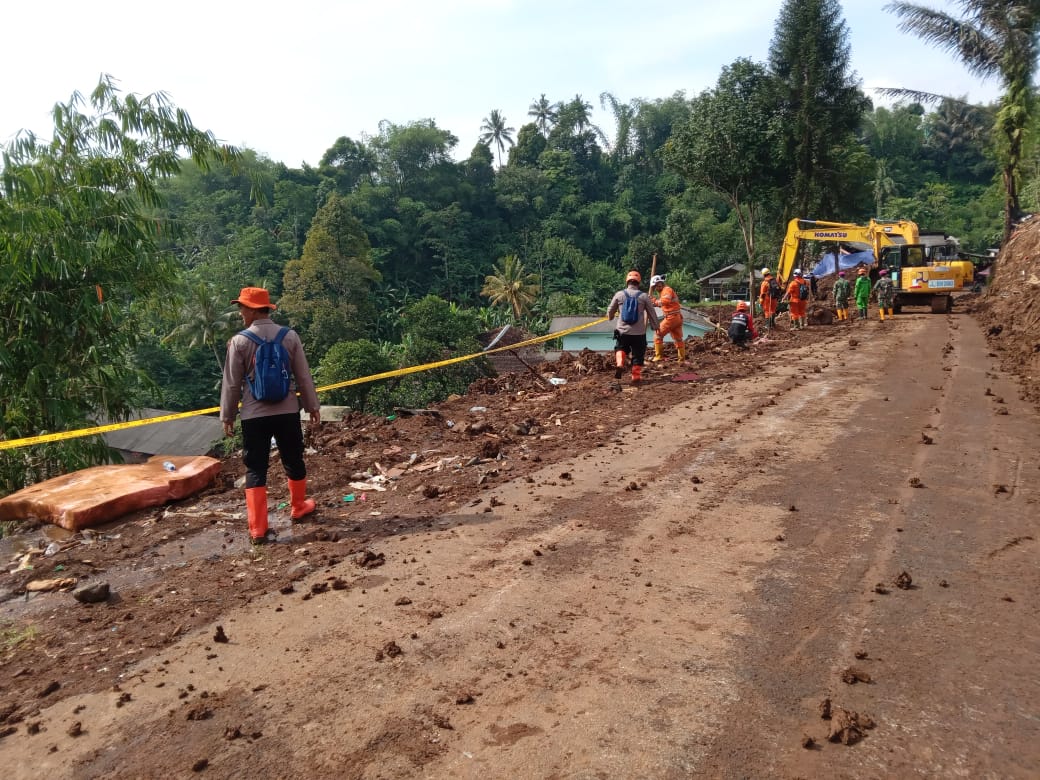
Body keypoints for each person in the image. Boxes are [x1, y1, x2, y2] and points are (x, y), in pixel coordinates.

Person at [221, 286, 321, 545]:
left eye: (242, 307)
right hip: (287, 411)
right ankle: (299, 507)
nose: (240, 312)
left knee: (255, 467)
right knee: (293, 458)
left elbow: (232, 384)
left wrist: (228, 415)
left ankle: (258, 529)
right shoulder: (290, 337)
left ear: (253, 310)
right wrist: (312, 407)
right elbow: (303, 376)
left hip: (254, 416)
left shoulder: (239, 342)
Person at [607, 270, 660, 383]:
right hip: (639, 333)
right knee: (638, 354)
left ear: (627, 282)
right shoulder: (644, 296)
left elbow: (610, 309)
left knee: (620, 347)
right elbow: (652, 312)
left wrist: (610, 317)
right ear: (638, 282)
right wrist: (656, 327)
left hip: (622, 331)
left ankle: (620, 363)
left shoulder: (619, 294)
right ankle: (635, 376)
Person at [648, 274, 685, 362]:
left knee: (658, 335)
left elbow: (665, 301)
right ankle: (681, 359)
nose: (655, 289)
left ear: (659, 284)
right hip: (676, 317)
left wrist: (653, 301)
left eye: (655, 287)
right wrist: (653, 300)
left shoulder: (666, 290)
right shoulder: (665, 291)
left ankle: (658, 357)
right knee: (678, 338)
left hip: (671, 317)